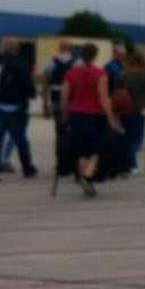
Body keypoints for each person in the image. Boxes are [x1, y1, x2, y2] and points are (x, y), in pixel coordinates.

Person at [62, 43, 122, 197]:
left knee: (81, 150)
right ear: (95, 56)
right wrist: (110, 119)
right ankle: (88, 176)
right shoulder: (100, 74)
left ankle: (83, 176)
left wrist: (65, 113)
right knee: (96, 149)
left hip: (76, 114)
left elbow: (65, 96)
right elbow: (104, 98)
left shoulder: (71, 73)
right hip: (94, 116)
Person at [0, 38, 38, 178]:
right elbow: (28, 86)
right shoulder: (21, 64)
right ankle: (27, 169)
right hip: (17, 106)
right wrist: (32, 94)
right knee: (20, 138)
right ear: (16, 49)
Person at [41, 39, 77, 178]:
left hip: (56, 103)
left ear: (60, 48)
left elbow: (45, 86)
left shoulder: (51, 63)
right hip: (73, 104)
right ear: (71, 48)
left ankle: (61, 165)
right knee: (72, 135)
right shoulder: (77, 63)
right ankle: (72, 164)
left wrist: (45, 105)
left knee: (60, 134)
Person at [119, 52, 145, 174]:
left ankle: (124, 165)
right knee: (137, 139)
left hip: (123, 110)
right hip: (140, 110)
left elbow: (116, 92)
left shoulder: (122, 76)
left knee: (126, 138)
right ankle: (132, 165)